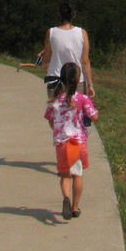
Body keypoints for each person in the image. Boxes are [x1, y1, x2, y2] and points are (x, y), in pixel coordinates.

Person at [44, 62, 98, 221]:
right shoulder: (82, 99)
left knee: (65, 176)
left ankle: (66, 198)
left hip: (62, 143)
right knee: (77, 175)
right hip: (78, 142)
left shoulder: (55, 100)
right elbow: (94, 116)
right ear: (76, 80)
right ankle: (74, 207)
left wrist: (57, 129)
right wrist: (91, 104)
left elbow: (50, 120)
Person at [41, 1, 95, 101]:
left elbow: (46, 59)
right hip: (76, 80)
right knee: (75, 114)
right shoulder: (82, 33)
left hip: (55, 79)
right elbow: (85, 61)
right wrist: (90, 84)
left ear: (59, 15)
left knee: (57, 113)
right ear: (73, 15)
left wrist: (45, 63)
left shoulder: (51, 32)